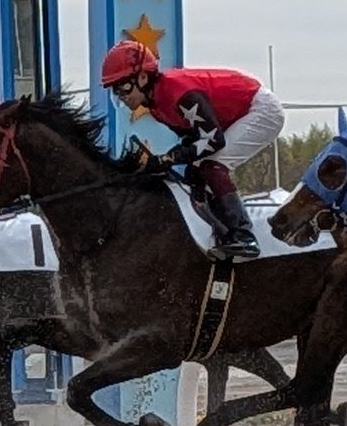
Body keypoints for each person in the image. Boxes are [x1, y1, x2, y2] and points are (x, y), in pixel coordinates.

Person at [102, 40, 282, 261]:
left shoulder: (178, 92)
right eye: (115, 90)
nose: (121, 95)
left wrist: (167, 158)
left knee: (212, 166)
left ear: (142, 77)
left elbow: (213, 140)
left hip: (262, 109)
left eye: (122, 86)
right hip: (239, 112)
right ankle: (221, 229)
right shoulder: (156, 107)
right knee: (195, 173)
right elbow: (192, 140)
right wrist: (165, 162)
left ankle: (244, 235)